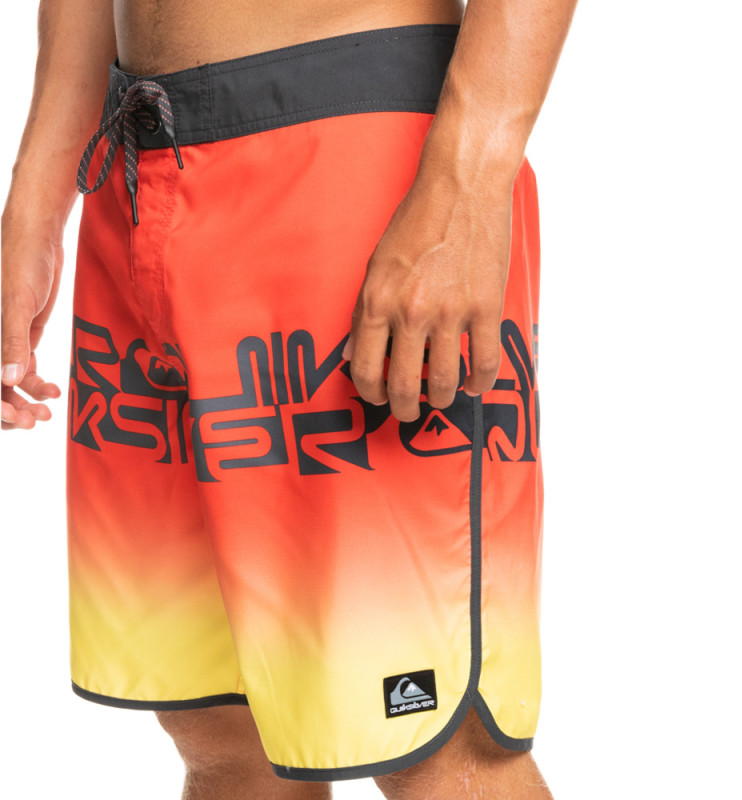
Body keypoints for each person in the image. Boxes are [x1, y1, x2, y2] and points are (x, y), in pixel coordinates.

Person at [1, 0, 577, 797]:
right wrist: (36, 196)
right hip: (141, 159)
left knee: (436, 744)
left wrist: (467, 182)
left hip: (356, 160)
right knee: (221, 726)